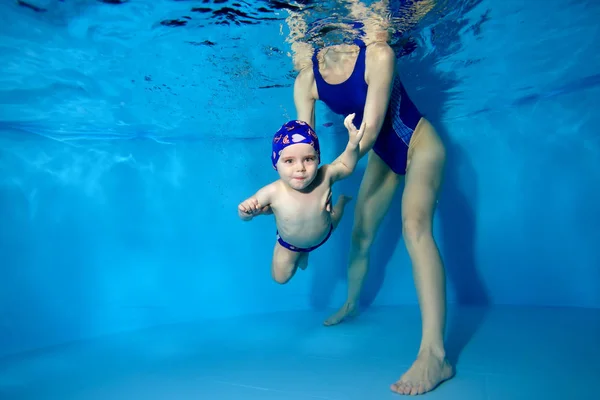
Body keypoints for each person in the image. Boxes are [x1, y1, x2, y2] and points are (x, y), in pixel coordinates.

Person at [286, 7, 455, 396]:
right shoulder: (306, 80)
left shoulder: (378, 54)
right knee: (361, 232)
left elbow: (373, 128)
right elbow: (304, 153)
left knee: (415, 227)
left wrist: (335, 170)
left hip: (419, 143)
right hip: (382, 156)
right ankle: (350, 303)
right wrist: (300, 214)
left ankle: (435, 354)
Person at [238, 116, 364, 284]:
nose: (300, 168)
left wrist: (353, 145)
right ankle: (301, 254)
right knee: (280, 278)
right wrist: (246, 212)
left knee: (336, 214)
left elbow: (346, 167)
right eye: (289, 161)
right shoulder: (273, 191)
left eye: (308, 159)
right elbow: (245, 215)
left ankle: (342, 202)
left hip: (325, 232)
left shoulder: (325, 175)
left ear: (318, 158)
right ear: (276, 164)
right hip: (291, 245)